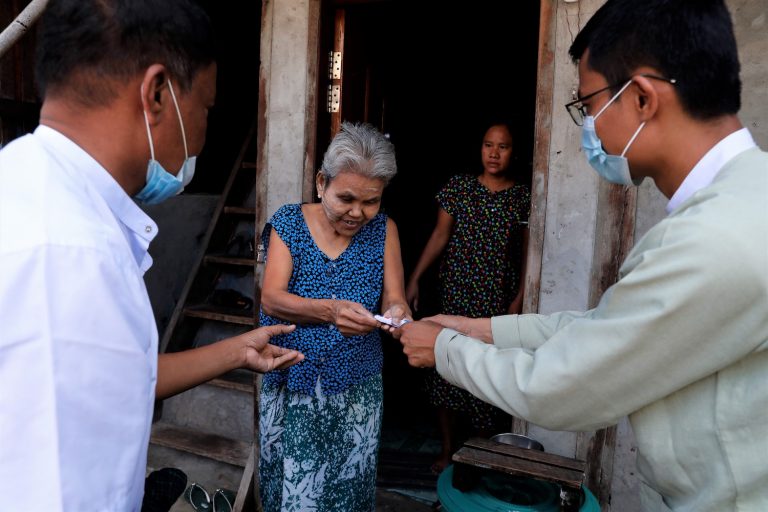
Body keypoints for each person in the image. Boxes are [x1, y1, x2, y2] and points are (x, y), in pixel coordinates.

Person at [395, 1, 768, 511]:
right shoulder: (746, 198)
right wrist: (482, 329)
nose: (588, 127)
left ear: (641, 98)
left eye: (586, 105)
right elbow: (608, 324)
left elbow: (555, 387)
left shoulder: (714, 239)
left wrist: (441, 350)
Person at [0, 1, 303, 511]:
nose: (204, 133)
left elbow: (114, 378)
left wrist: (236, 351)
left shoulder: (24, 184)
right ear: (157, 93)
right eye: (206, 108)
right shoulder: (70, 255)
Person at [258, 121, 411, 512]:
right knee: (296, 493)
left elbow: (396, 298)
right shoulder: (289, 223)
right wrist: (332, 310)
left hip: (357, 388)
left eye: (371, 201)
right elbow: (272, 298)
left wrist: (397, 315)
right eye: (346, 198)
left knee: (349, 490)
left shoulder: (385, 230)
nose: (358, 213)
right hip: (295, 384)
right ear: (321, 182)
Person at [404, 120, 530, 473]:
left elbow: (528, 254)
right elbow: (439, 236)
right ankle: (446, 450)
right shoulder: (459, 188)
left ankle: (478, 456)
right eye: (488, 144)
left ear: (513, 152)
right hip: (456, 295)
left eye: (502, 146)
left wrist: (519, 297)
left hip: (494, 300)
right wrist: (414, 279)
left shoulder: (523, 198)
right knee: (446, 366)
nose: (494, 153)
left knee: (487, 375)